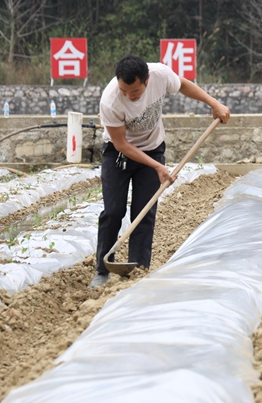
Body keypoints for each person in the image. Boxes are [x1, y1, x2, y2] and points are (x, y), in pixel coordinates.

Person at [90, 55, 230, 289]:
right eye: (124, 91)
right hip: (119, 154)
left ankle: (138, 269)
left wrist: (213, 103)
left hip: (152, 149)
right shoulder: (110, 100)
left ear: (146, 80)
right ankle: (102, 270)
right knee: (113, 211)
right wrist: (157, 166)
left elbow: (182, 84)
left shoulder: (160, 74)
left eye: (135, 91)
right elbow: (121, 144)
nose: (129, 96)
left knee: (144, 211)